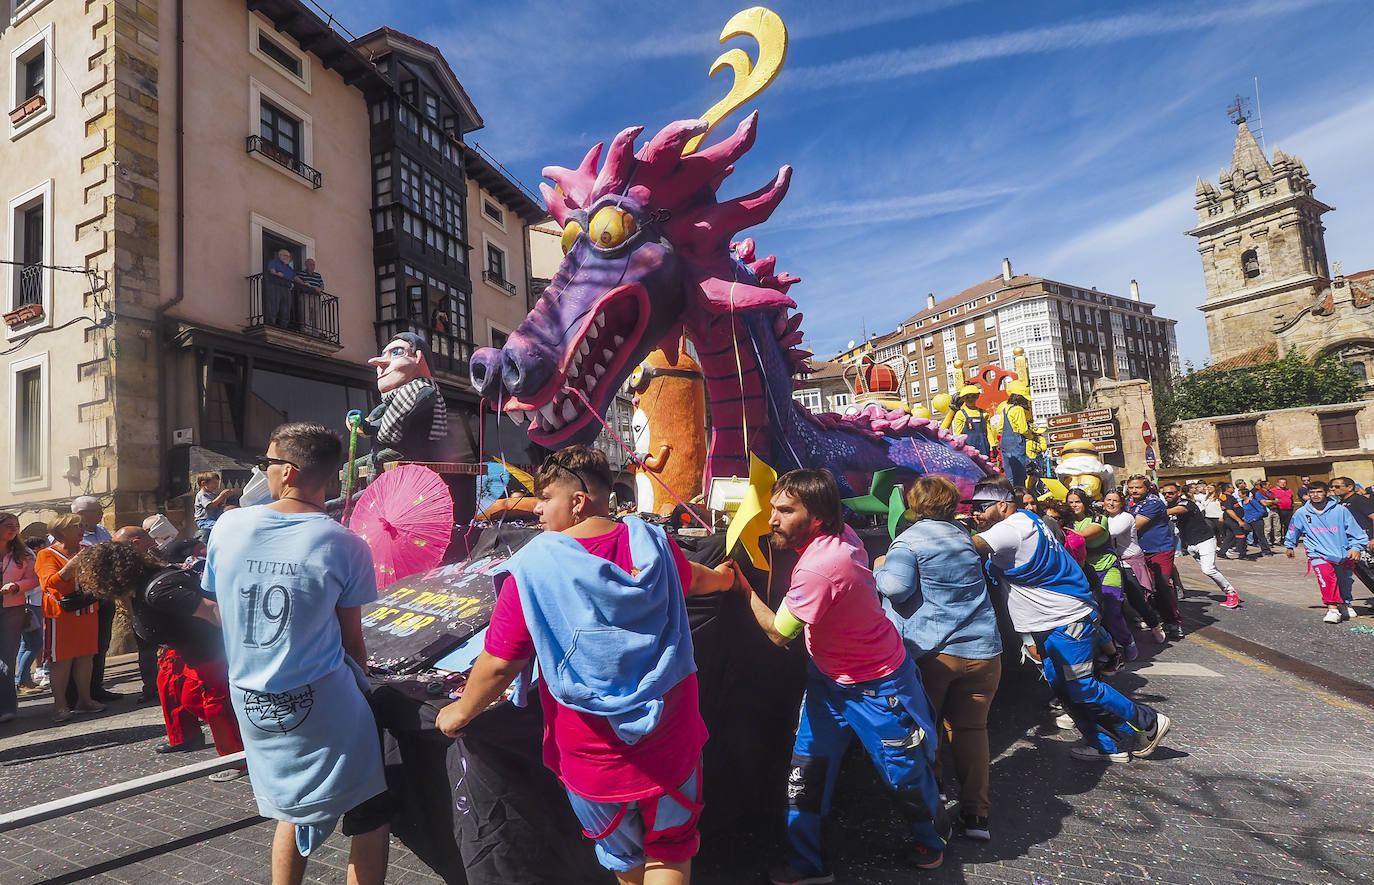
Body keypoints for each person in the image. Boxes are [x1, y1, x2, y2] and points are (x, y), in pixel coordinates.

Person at [437, 446, 734, 885]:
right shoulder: (651, 543)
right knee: (671, 850)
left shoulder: (533, 568)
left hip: (593, 756)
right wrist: (729, 578)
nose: (537, 509)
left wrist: (460, 712)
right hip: (671, 738)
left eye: (546, 498)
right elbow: (696, 577)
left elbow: (501, 662)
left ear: (577, 501)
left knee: (625, 858)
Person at [731, 468, 946, 882]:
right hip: (829, 683)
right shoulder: (839, 532)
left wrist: (742, 587)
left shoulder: (821, 566)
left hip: (879, 686)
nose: (772, 519)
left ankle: (932, 837)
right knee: (806, 773)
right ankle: (806, 864)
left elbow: (778, 633)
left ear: (818, 519)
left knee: (903, 774)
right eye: (773, 507)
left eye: (785, 510)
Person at [205, 422, 391, 885]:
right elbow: (352, 640)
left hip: (250, 699)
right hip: (324, 701)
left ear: (288, 472)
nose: (263, 472)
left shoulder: (228, 526)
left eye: (266, 464)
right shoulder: (345, 543)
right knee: (370, 809)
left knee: (291, 809)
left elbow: (217, 602)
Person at [970, 477, 1171, 764]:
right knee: (1063, 687)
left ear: (1002, 505)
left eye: (981, 507)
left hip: (1066, 619)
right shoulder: (1027, 517)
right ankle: (1106, 745)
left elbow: (966, 547)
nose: (974, 513)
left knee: (1081, 686)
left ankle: (1149, 721)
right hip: (1051, 621)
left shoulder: (1009, 528)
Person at [874, 476, 1002, 843]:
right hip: (982, 651)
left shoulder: (909, 541)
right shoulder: (962, 537)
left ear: (915, 504)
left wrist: (881, 565)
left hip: (934, 653)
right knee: (972, 730)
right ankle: (977, 815)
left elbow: (896, 588)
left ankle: (935, 801)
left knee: (925, 729)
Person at [76, 542, 245, 775]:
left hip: (208, 650)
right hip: (188, 648)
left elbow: (216, 613)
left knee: (212, 703)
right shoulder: (142, 584)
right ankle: (204, 738)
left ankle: (238, 758)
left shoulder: (161, 590)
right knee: (179, 691)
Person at [36, 514, 102, 722]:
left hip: (87, 611)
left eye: (83, 525)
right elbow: (51, 583)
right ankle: (60, 706)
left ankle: (85, 700)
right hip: (61, 614)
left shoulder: (86, 550)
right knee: (61, 661)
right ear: (61, 531)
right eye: (77, 526)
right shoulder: (47, 555)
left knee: (86, 657)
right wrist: (73, 564)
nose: (82, 529)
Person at [1064, 489, 1137, 661]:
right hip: (1084, 573)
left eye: (1077, 501)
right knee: (1093, 614)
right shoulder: (1067, 522)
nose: (1074, 505)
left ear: (1085, 503)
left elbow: (1081, 537)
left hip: (1107, 568)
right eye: (1070, 502)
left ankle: (1128, 641)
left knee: (1111, 610)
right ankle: (1107, 648)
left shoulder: (1099, 519)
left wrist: (1059, 530)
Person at [1284, 480, 1367, 624]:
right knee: (1326, 577)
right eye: (1312, 492)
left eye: (1319, 492)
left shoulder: (1340, 510)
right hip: (1318, 553)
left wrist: (1356, 547)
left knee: (1344, 581)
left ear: (1327, 493)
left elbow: (1355, 531)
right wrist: (1290, 545)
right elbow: (1294, 529)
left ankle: (1345, 603)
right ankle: (1332, 608)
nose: (1315, 495)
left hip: (1341, 553)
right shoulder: (1302, 513)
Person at [71, 496, 121, 703]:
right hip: (84, 597)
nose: (101, 513)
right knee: (82, 646)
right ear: (81, 514)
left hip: (104, 594)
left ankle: (96, 687)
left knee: (102, 642)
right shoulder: (67, 535)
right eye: (97, 510)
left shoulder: (101, 531)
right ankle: (76, 692)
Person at [1159, 483, 1240, 609]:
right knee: (1210, 569)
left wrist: (1152, 513)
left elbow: (1178, 510)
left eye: (1171, 493)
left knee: (1208, 569)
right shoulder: (1168, 505)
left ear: (1178, 493)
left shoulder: (1186, 503)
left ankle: (1231, 593)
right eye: (1165, 493)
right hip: (1191, 544)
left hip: (1205, 540)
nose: (1167, 495)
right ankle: (1181, 589)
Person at [1102, 490, 1166, 644]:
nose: (1111, 503)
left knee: (1137, 600)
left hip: (1129, 562)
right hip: (1113, 563)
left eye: (1115, 501)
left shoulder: (1126, 518)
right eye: (1108, 500)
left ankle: (1155, 625)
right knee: (1113, 600)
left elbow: (1110, 533)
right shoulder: (1103, 518)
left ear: (1121, 503)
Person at [1125, 476, 1182, 639]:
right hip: (1139, 551)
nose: (1134, 491)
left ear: (1147, 488)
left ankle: (1173, 621)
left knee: (1163, 585)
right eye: (1131, 488)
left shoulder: (1153, 503)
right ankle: (1153, 616)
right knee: (1144, 587)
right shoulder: (1128, 502)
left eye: (1138, 487)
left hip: (1160, 549)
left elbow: (1134, 525)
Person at [112, 526, 165, 702]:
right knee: (147, 652)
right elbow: (125, 592)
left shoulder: (160, 554)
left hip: (165, 609)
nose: (115, 551)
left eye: (118, 546)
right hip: (141, 611)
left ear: (136, 543)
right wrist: (134, 615)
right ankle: (150, 688)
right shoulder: (123, 563)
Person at [1, 512, 40, 724]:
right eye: (8, 525)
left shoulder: (22, 553)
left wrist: (17, 586)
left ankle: (7, 708)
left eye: (16, 525)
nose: (13, 529)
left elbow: (34, 578)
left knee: (6, 660)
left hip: (12, 609)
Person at [1328, 477, 1374, 600]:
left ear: (1349, 487)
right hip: (1353, 544)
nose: (1333, 489)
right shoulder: (1340, 503)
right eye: (1332, 487)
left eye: (1337, 486)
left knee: (1370, 572)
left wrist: (1373, 538)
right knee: (1363, 574)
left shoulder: (1359, 500)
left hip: (1367, 542)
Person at [992, 381, 1038, 488]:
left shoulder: (1005, 409)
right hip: (1016, 445)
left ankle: (1011, 496)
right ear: (1018, 397)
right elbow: (1023, 429)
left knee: (1010, 475)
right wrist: (1032, 437)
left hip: (1005, 444)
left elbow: (1000, 428)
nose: (1026, 400)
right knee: (1020, 475)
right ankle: (1020, 497)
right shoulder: (1018, 409)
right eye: (1024, 398)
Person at [949, 386, 991, 457]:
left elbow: (989, 431)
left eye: (973, 396)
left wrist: (992, 445)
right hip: (967, 448)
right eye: (967, 397)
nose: (970, 399)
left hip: (984, 447)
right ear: (963, 399)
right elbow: (958, 434)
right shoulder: (960, 414)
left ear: (977, 397)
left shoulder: (984, 413)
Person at [193, 472, 233, 542]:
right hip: (204, 520)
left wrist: (225, 497)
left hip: (213, 519)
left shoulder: (212, 494)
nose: (217, 486)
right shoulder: (202, 495)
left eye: (217, 483)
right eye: (214, 483)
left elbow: (219, 505)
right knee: (218, 527)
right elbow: (210, 506)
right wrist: (221, 496)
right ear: (203, 483)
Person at [264, 248, 296, 328]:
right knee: (274, 305)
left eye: (289, 256)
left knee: (286, 308)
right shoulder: (274, 262)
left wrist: (304, 283)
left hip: (286, 288)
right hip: (275, 286)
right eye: (286, 256)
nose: (287, 258)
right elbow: (272, 270)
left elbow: (295, 277)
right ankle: (271, 323)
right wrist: (277, 273)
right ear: (280, 255)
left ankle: (284, 326)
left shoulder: (289, 268)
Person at [1237, 486, 1272, 557]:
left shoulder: (1252, 501)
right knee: (1243, 535)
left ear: (1244, 494)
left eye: (1240, 493)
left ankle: (1266, 551)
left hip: (1256, 521)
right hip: (1247, 521)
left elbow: (1261, 511)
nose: (1239, 495)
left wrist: (1255, 518)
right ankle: (1242, 551)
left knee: (1260, 536)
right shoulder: (1242, 502)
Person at [294, 258, 324, 331]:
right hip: (305, 295)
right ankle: (306, 330)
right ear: (306, 265)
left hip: (316, 297)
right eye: (310, 264)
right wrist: (305, 285)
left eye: (313, 265)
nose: (312, 266)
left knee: (316, 314)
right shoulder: (301, 273)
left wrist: (319, 289)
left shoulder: (318, 275)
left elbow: (322, 285)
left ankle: (316, 331)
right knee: (305, 313)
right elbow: (296, 281)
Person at [1271, 479, 1296, 545]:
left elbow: (1291, 499)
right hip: (1279, 510)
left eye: (1284, 483)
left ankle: (1287, 538)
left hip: (1288, 510)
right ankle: (1278, 539)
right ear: (1277, 483)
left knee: (1288, 525)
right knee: (1279, 525)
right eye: (1281, 483)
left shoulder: (1289, 490)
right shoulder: (1272, 491)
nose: (1283, 484)